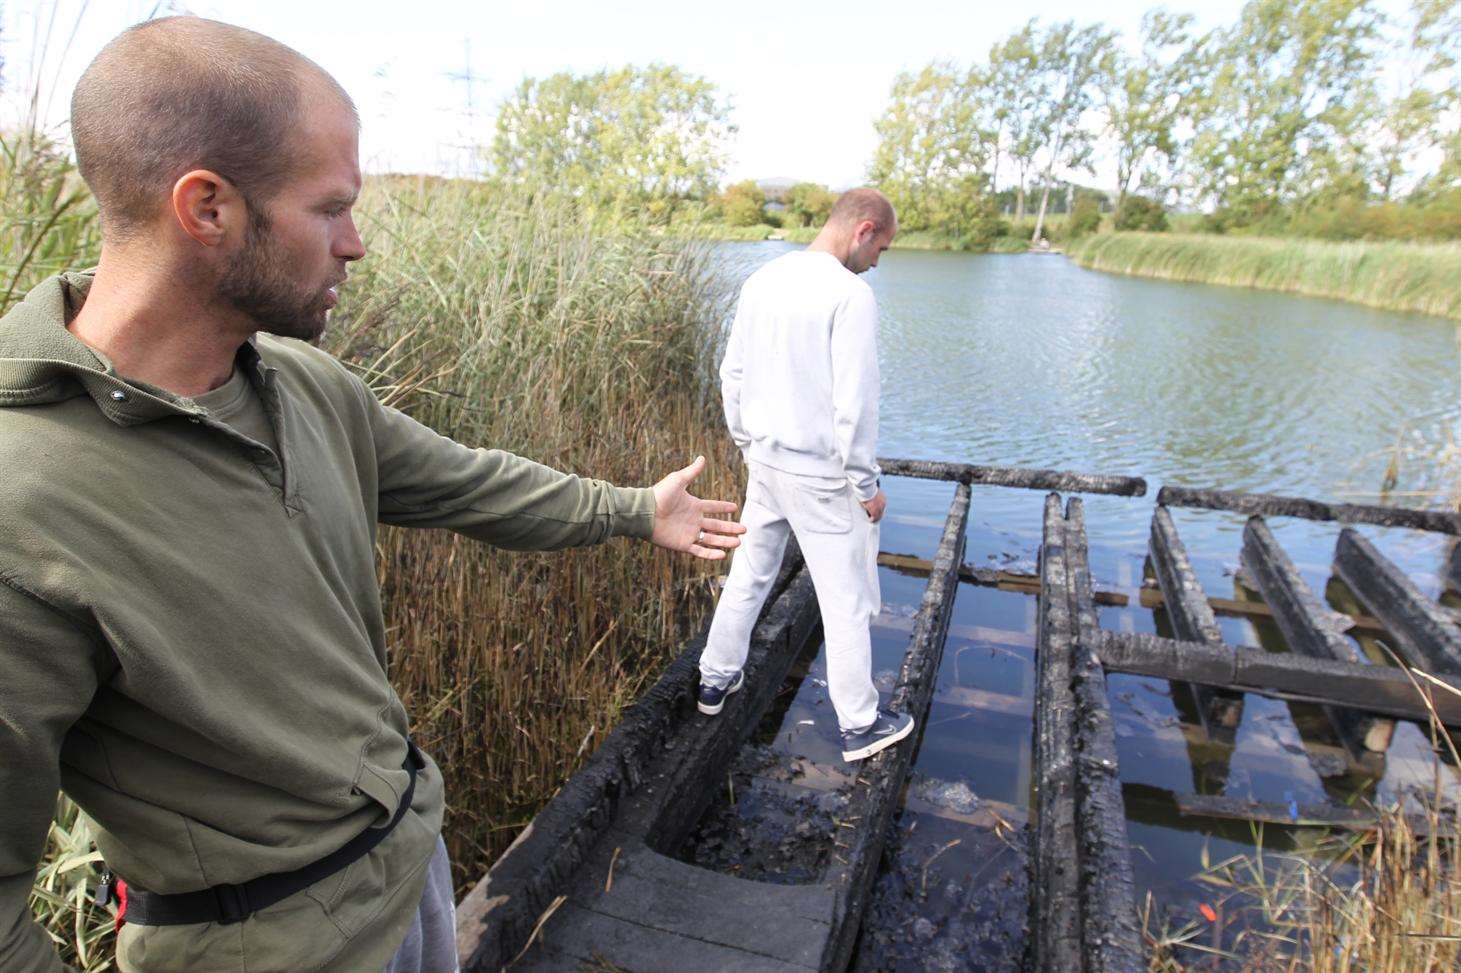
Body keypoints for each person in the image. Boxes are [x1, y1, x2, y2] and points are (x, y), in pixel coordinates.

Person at [0, 17, 745, 973]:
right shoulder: (25, 502)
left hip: (410, 868)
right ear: (208, 207)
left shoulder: (304, 386)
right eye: (330, 207)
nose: (355, 244)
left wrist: (635, 509)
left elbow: (470, 481)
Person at [697, 189, 914, 763]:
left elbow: (732, 374)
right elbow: (855, 406)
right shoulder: (850, 295)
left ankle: (714, 681)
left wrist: (747, 444)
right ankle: (860, 725)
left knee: (750, 572)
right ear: (864, 230)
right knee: (845, 601)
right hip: (822, 475)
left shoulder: (762, 280)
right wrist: (866, 488)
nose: (878, 261)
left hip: (765, 463)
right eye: (883, 248)